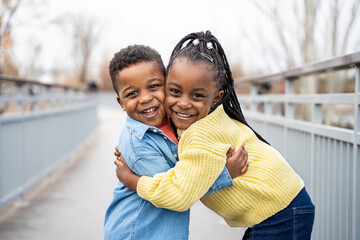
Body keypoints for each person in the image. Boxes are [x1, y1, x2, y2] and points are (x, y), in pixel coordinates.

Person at [115, 31, 315, 240]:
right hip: (280, 208)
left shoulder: (201, 135)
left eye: (197, 95)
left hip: (281, 213)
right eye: (174, 91)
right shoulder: (208, 118)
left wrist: (131, 180)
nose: (183, 103)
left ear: (215, 98)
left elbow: (179, 193)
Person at [104, 44, 249, 240]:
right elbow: (179, 190)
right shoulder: (138, 146)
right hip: (138, 232)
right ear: (121, 103)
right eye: (132, 94)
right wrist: (225, 174)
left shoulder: (174, 120)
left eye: (153, 86)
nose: (146, 98)